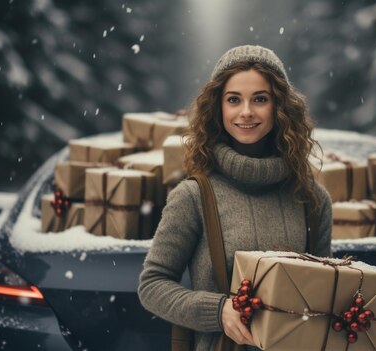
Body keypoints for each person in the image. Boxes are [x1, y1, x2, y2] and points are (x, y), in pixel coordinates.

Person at [138, 45, 333, 351]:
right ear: (218, 108)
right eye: (233, 100)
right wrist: (219, 311)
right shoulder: (193, 196)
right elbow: (152, 285)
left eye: (260, 99)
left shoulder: (312, 199)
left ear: (279, 106)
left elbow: (324, 295)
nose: (246, 111)